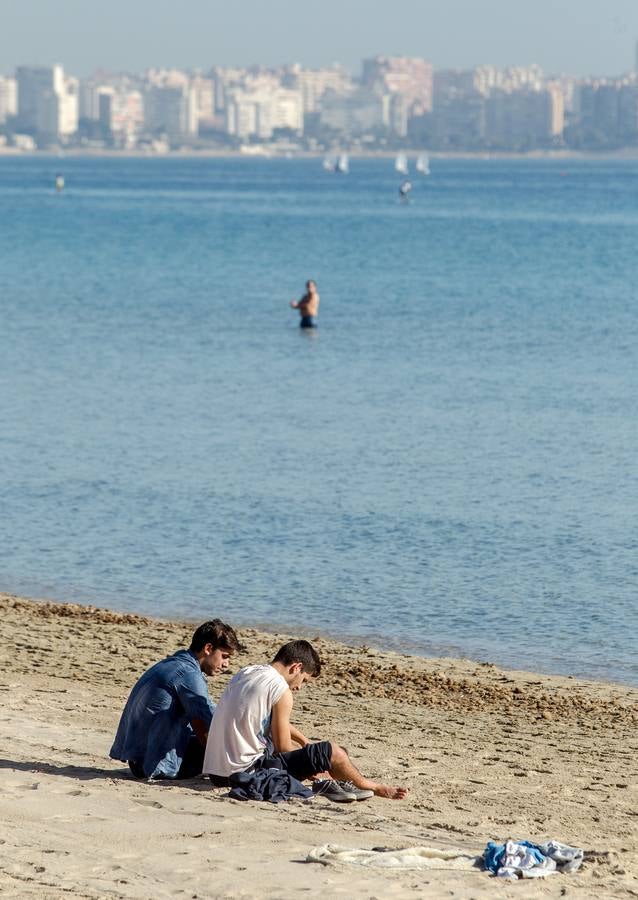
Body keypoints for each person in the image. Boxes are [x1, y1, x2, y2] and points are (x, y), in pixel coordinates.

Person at [203, 639, 408, 802]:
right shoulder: (281, 690)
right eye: (304, 680)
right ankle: (372, 786)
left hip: (216, 772)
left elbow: (272, 722)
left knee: (303, 749)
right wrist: (315, 762)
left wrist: (304, 743)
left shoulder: (247, 672)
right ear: (296, 667)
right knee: (334, 752)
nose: (300, 687)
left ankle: (340, 778)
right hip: (243, 773)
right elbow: (283, 748)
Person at [110, 619, 244, 780]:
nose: (226, 664)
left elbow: (200, 719)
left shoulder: (172, 663)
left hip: (137, 760)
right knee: (237, 751)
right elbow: (214, 721)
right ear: (208, 648)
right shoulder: (189, 675)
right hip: (154, 764)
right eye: (224, 656)